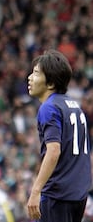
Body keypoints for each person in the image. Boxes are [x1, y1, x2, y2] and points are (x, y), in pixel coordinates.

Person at [27, 49, 92, 222]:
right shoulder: (74, 106)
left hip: (57, 195)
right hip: (78, 194)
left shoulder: (49, 108)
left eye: (35, 73)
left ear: (50, 83)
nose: (30, 78)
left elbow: (54, 150)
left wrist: (36, 190)